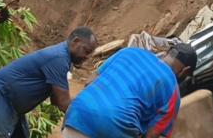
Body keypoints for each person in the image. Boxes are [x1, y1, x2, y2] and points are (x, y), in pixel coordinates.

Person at [0, 27, 98, 138]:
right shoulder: (59, 58)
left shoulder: (64, 59)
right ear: (75, 41)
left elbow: (56, 100)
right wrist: (89, 123)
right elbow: (62, 102)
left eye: (90, 53)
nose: (87, 57)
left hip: (9, 106)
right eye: (86, 51)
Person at [62, 43, 198, 138]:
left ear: (167, 53)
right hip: (115, 128)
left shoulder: (129, 51)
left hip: (77, 114)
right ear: (185, 71)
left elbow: (90, 81)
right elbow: (152, 135)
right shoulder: (173, 89)